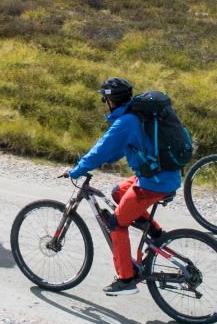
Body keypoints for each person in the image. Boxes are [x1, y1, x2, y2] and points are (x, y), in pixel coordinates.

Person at [67, 77, 181, 294]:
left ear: (110, 100)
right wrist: (106, 159)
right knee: (118, 192)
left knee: (116, 223)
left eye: (104, 99)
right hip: (163, 175)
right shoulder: (137, 115)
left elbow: (101, 149)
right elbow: (121, 147)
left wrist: (76, 170)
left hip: (154, 183)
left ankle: (126, 280)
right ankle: (157, 236)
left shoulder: (125, 122)